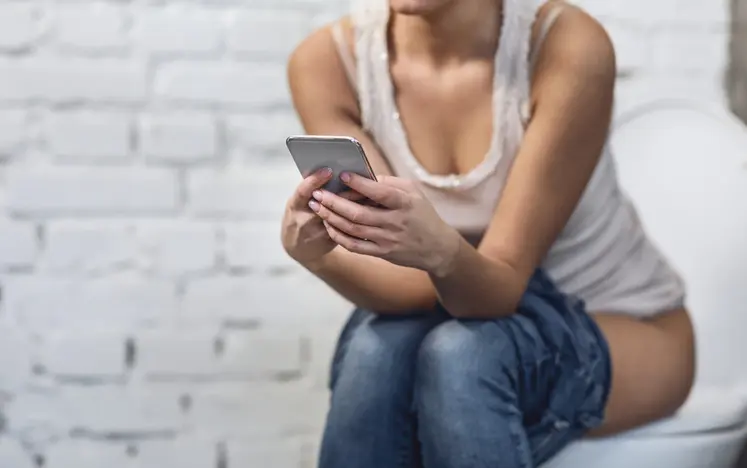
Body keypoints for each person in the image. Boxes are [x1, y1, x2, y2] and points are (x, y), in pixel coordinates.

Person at [280, 0, 695, 466]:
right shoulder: (328, 63)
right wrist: (318, 257)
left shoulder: (566, 47)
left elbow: (498, 290)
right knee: (377, 352)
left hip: (618, 324)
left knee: (463, 358)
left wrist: (441, 253)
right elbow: (413, 289)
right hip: (458, 313)